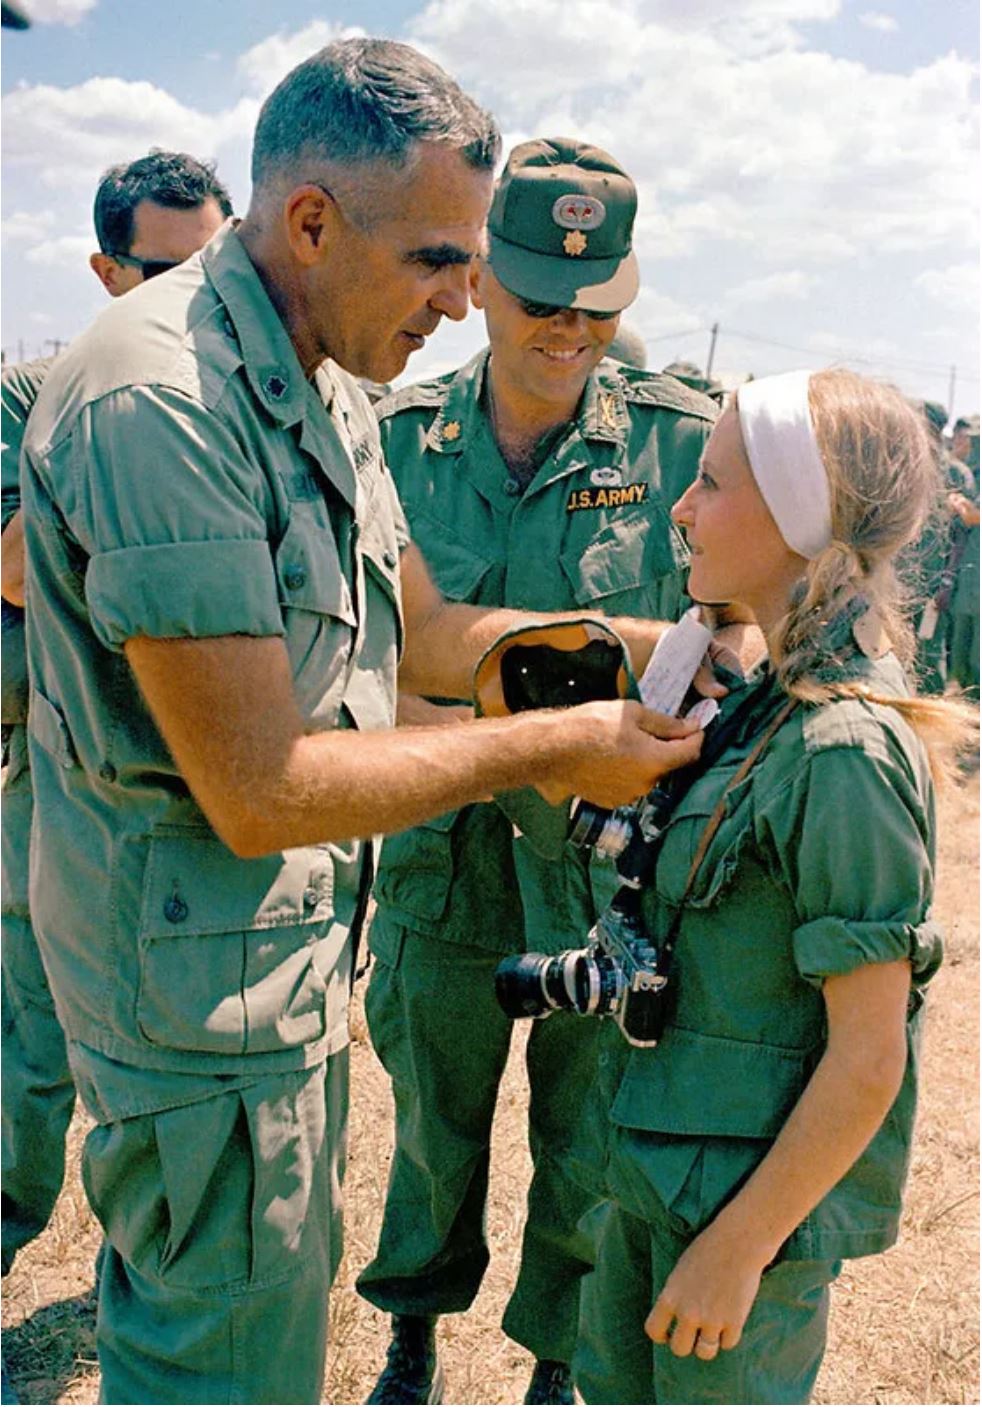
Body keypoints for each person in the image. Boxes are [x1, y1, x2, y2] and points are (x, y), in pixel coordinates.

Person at [18, 42, 702, 1406]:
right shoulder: (170, 399)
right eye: (440, 260)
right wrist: (555, 744)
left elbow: (424, 637)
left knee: (254, 1336)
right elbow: (261, 785)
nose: (467, 303)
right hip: (191, 990)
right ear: (314, 222)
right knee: (221, 1365)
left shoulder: (319, 378)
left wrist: (648, 648)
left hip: (256, 968)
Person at [356, 137, 718, 1407]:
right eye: (538, 297)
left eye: (596, 304)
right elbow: (371, 662)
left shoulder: (682, 444)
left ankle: (555, 1358)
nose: (567, 327)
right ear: (479, 282)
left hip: (603, 867)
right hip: (439, 852)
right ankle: (412, 1330)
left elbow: (735, 640)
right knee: (431, 1126)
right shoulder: (395, 441)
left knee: (587, 1124)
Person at [571, 369, 970, 1405]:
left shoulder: (841, 750)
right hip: (658, 1180)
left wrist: (739, 1250)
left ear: (800, 520)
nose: (682, 507)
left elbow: (869, 1055)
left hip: (734, 1219)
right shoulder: (765, 707)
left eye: (710, 482)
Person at [1, 149, 232, 1284]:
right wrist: (99, 421)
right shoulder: (34, 398)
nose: (197, 298)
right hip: (57, 770)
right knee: (28, 1050)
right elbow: (15, 574)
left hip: (205, 783)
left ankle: (147, 1276)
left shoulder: (251, 403)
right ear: (104, 271)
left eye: (217, 264)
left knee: (182, 1068)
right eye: (161, 273)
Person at [945, 413, 980, 700]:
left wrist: (961, 505)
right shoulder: (971, 472)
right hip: (969, 576)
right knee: (961, 647)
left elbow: (973, 517)